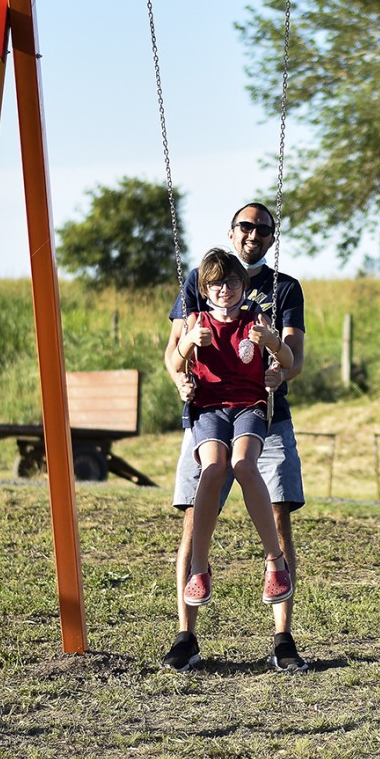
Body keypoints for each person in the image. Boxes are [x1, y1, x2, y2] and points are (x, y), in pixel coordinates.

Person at [160, 202, 309, 673]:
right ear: (232, 230)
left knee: (279, 515)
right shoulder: (199, 279)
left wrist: (276, 371)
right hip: (206, 412)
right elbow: (174, 351)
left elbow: (293, 358)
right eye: (246, 226)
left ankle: (282, 636)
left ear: (272, 236)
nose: (253, 234)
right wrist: (180, 379)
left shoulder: (283, 288)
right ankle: (187, 635)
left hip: (263, 413)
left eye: (263, 229)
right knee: (196, 509)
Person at [167, 248, 294, 612]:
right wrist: (189, 344)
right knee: (212, 467)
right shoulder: (197, 322)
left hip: (250, 407)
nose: (226, 289)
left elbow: (286, 359)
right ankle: (199, 569)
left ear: (243, 285)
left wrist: (271, 344)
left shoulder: (256, 319)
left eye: (233, 282)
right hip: (208, 409)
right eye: (217, 283)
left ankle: (275, 562)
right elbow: (177, 362)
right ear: (205, 289)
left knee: (243, 464)